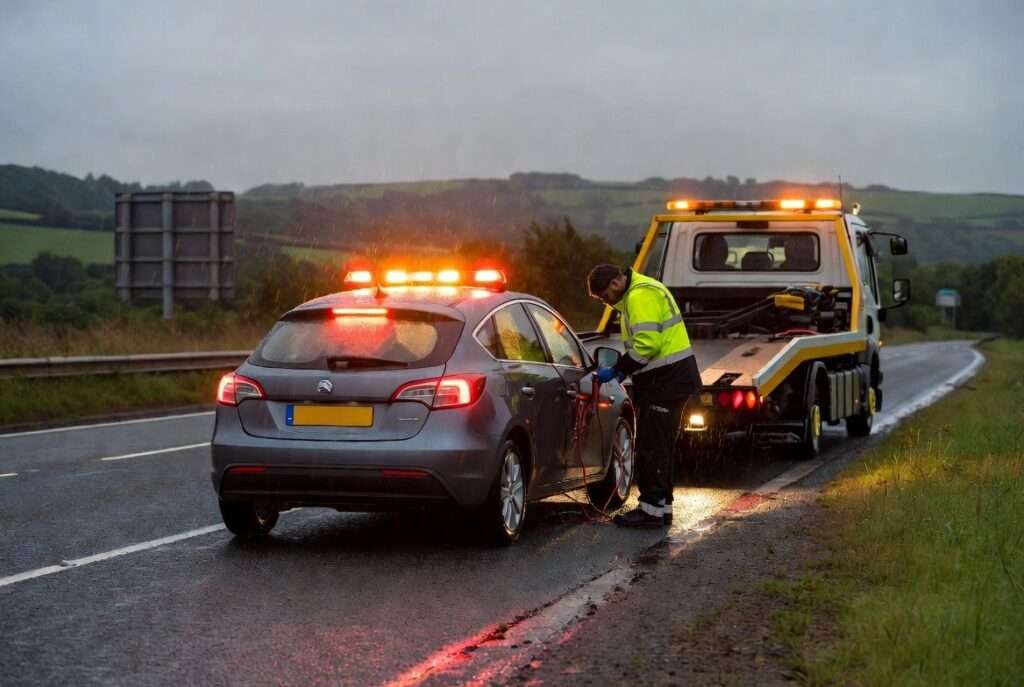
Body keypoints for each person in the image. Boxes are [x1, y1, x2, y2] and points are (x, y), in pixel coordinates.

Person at [587, 264, 701, 528]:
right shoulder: (643, 290)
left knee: (652, 447)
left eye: (604, 296)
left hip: (666, 380)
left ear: (616, 283)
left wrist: (618, 370)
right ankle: (662, 507)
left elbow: (647, 344)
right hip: (671, 379)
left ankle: (650, 511)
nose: (605, 302)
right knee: (661, 446)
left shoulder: (639, 296)